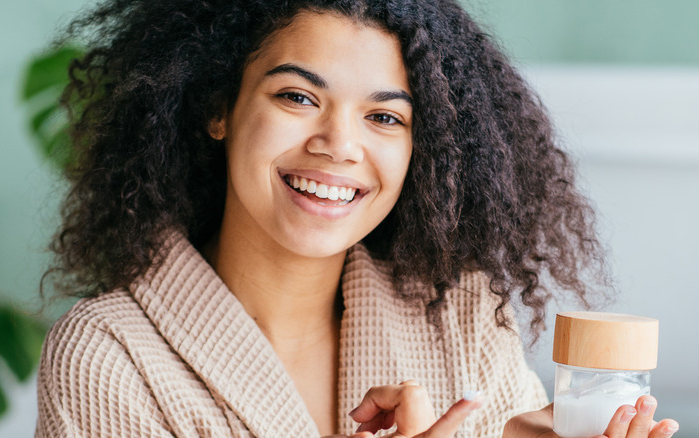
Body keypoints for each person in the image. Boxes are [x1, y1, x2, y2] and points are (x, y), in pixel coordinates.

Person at [35, 0, 679, 437]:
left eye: (384, 118)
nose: (340, 144)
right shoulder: (107, 354)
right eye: (297, 96)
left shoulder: (462, 318)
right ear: (218, 108)